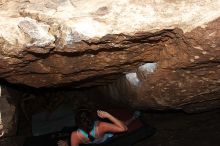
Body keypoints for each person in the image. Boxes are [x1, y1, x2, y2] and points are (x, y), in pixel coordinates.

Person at [57, 109, 140, 146]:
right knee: (122, 123)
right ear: (92, 119)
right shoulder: (101, 126)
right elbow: (124, 128)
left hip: (94, 143)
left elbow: (74, 142)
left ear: (77, 124)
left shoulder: (74, 135)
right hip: (106, 139)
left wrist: (67, 144)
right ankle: (134, 117)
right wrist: (108, 115)